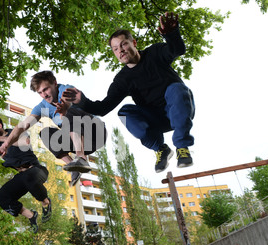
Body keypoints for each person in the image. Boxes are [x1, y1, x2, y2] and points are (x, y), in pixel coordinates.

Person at [62, 12, 195, 173]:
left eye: (124, 45)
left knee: (176, 88)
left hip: (178, 108)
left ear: (134, 43)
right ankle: (161, 149)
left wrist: (171, 34)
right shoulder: (122, 80)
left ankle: (182, 148)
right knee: (124, 112)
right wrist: (81, 100)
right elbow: (103, 108)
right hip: (156, 120)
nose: (121, 51)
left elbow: (177, 50)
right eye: (116, 49)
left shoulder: (155, 52)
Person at [0, 71, 107, 186]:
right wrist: (5, 145)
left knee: (69, 113)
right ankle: (74, 166)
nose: (44, 95)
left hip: (96, 132)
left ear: (54, 83)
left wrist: (64, 108)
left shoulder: (66, 89)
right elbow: (23, 125)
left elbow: (68, 101)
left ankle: (80, 158)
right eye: (40, 92)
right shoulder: (42, 106)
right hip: (83, 143)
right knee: (45, 133)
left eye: (45, 89)